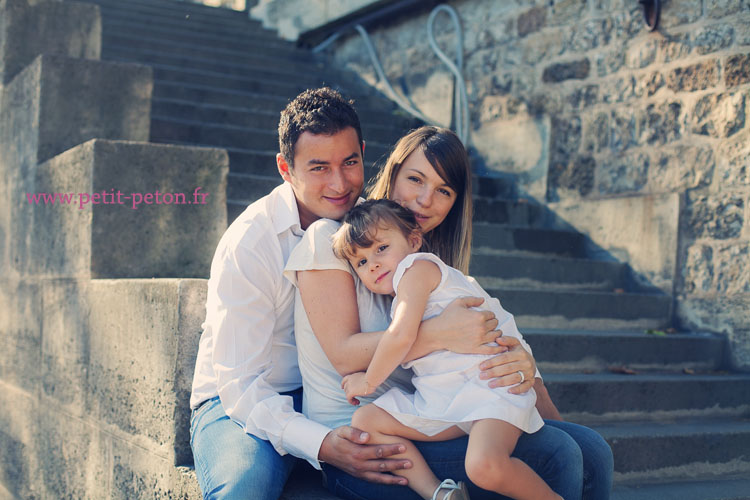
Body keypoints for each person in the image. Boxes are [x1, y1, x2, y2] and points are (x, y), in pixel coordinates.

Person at [188, 88, 512, 500]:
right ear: (286, 169)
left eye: (349, 163)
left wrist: (514, 361)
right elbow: (240, 386)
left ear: (363, 153)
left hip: (334, 392)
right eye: (319, 168)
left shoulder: (376, 231)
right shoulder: (251, 242)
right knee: (245, 490)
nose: (339, 183)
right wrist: (322, 443)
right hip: (245, 398)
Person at [285, 126, 614, 500]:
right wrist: (442, 333)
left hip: (436, 406)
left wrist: (523, 368)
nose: (426, 200)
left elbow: (496, 330)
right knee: (558, 453)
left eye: (444, 191)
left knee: (591, 448)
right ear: (392, 173)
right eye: (415, 179)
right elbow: (346, 356)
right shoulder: (338, 242)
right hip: (360, 437)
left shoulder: (425, 265)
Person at [332, 199, 560, 500]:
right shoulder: (403, 289)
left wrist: (367, 381)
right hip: (445, 400)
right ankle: (440, 493)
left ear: (414, 241)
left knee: (483, 465)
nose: (372, 264)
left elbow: (399, 338)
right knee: (366, 421)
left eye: (381, 248)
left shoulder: (417, 270)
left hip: (487, 388)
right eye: (360, 262)